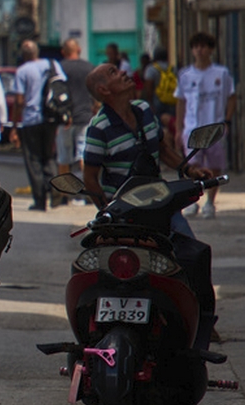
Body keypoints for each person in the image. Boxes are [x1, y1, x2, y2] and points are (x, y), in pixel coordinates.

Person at [82, 62, 217, 350]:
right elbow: (90, 178)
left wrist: (189, 170)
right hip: (121, 214)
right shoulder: (99, 127)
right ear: (104, 90)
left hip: (159, 206)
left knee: (191, 256)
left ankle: (202, 323)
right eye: (114, 73)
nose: (122, 73)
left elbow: (163, 150)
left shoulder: (144, 109)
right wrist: (106, 210)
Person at [175, 31, 236, 219]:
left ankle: (210, 202)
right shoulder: (186, 75)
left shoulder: (221, 74)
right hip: (192, 128)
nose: (199, 50)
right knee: (193, 166)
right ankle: (193, 201)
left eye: (203, 46)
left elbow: (231, 97)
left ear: (210, 49)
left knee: (215, 168)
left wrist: (226, 120)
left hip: (214, 128)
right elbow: (181, 102)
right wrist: (178, 129)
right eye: (196, 47)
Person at [8, 40, 67, 211]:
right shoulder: (52, 64)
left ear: (23, 55)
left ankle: (40, 201)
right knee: (49, 156)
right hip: (50, 119)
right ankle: (56, 191)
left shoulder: (22, 71)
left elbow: (19, 101)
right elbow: (61, 86)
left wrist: (14, 126)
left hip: (31, 120)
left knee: (33, 160)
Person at [58, 39, 96, 202]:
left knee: (64, 157)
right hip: (85, 116)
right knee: (82, 155)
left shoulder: (59, 68)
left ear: (63, 51)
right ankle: (88, 192)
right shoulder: (89, 67)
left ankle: (65, 194)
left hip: (64, 118)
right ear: (79, 49)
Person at [141, 46, 178, 142]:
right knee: (171, 124)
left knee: (160, 126)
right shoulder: (173, 69)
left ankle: (166, 144)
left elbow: (148, 87)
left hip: (158, 101)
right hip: (172, 101)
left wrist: (150, 102)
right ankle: (173, 143)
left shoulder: (151, 69)